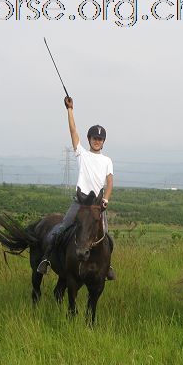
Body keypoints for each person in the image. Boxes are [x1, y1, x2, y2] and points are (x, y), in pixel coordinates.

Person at [37, 96, 115, 280]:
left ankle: (107, 267)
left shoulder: (107, 161)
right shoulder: (82, 155)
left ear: (103, 141)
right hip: (80, 202)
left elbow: (110, 183)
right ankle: (47, 259)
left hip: (97, 204)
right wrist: (70, 110)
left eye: (100, 139)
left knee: (107, 237)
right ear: (89, 139)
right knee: (61, 228)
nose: (97, 141)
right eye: (94, 138)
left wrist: (106, 199)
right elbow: (73, 132)